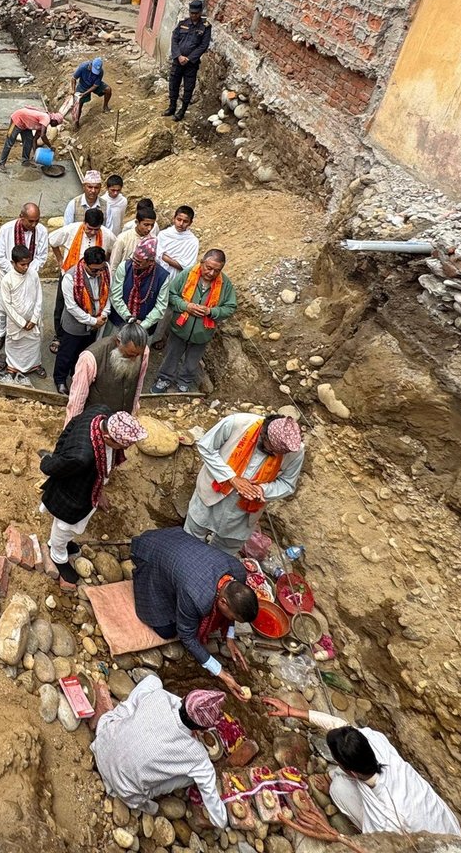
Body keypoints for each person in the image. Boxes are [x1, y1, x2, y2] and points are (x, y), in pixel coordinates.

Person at [260, 699, 461, 836]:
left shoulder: (384, 818)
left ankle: (340, 798)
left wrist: (329, 832)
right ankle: (334, 779)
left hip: (427, 838)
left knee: (338, 789)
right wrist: (290, 710)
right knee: (337, 780)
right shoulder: (374, 740)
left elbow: (374, 846)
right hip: (444, 821)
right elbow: (338, 725)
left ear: (351, 772)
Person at [130, 525, 257, 696]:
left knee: (188, 608)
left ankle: (173, 585)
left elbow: (234, 608)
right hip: (148, 553)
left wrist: (230, 637)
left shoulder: (238, 573)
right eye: (232, 617)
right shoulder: (196, 596)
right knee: (167, 630)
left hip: (175, 543)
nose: (231, 619)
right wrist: (220, 672)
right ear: (223, 602)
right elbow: (187, 637)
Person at [91, 675, 230, 830]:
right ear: (203, 729)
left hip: (102, 745)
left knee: (153, 682)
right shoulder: (198, 756)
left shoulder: (159, 697)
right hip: (125, 790)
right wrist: (225, 820)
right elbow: (219, 818)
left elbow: (172, 701)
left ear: (184, 699)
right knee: (191, 777)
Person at [39, 407, 145, 587]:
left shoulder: (100, 412)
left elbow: (72, 423)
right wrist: (55, 458)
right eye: (124, 445)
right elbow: (51, 467)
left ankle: (63, 543)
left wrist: (99, 490)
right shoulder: (82, 457)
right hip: (72, 495)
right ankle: (57, 554)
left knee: (70, 529)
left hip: (89, 485)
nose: (127, 448)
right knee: (65, 526)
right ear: (107, 438)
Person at [185, 413, 304, 553]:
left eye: (279, 453)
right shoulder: (238, 423)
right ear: (263, 434)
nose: (274, 454)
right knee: (190, 540)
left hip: (242, 513)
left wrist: (262, 490)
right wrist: (231, 478)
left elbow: (288, 483)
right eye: (271, 449)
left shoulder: (295, 451)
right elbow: (206, 447)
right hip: (210, 496)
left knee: (224, 552)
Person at [154, 250, 237, 395]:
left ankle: (184, 383)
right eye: (208, 268)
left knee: (193, 361)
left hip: (203, 332)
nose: (211, 273)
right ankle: (164, 379)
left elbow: (230, 307)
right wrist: (186, 306)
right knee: (171, 355)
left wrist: (211, 311)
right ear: (202, 262)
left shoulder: (225, 284)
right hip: (180, 327)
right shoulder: (187, 274)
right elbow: (171, 294)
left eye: (217, 270)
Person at [0, 203, 49, 371]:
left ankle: (30, 362)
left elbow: (42, 256)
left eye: (37, 221)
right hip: (8, 276)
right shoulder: (7, 229)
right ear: (21, 217)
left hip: (29, 278)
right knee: (2, 307)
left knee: (30, 309)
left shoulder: (41, 231)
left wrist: (28, 271)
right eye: (30, 221)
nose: (34, 225)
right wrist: (15, 272)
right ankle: (0, 334)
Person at [48, 207, 115, 350]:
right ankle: (59, 336)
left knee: (93, 303)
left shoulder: (107, 234)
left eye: (96, 230)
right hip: (70, 276)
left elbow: (111, 250)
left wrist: (101, 266)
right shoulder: (71, 230)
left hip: (94, 278)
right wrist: (60, 260)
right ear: (84, 222)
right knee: (62, 306)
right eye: (89, 228)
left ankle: (87, 334)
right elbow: (52, 241)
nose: (92, 233)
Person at [64, 322, 151, 423]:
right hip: (94, 421)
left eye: (137, 355)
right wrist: (71, 428)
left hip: (122, 420)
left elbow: (138, 384)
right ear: (118, 342)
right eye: (129, 355)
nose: (134, 359)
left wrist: (133, 409)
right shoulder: (89, 358)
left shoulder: (143, 352)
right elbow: (77, 399)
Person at [54, 245, 110, 395]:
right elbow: (71, 307)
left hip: (95, 325)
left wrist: (104, 314)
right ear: (85, 263)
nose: (98, 273)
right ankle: (60, 380)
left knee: (83, 354)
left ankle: (77, 377)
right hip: (74, 326)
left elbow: (107, 295)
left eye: (101, 269)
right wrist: (93, 321)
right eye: (94, 270)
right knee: (66, 354)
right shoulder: (70, 277)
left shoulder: (104, 272)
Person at [0, 244, 44, 387]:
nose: (26, 267)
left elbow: (39, 297)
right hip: (15, 322)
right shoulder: (7, 280)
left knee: (33, 343)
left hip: (33, 319)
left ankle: (34, 365)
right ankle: (13, 368)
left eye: (28, 264)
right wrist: (22, 322)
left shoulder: (33, 274)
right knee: (15, 345)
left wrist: (34, 319)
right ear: (13, 263)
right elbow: (7, 305)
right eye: (22, 264)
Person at [163, 0, 211, 121]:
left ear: (200, 13)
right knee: (173, 84)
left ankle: (182, 111)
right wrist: (178, 55)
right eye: (191, 13)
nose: (193, 15)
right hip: (178, 60)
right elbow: (174, 39)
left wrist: (189, 59)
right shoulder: (182, 23)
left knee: (188, 87)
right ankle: (172, 107)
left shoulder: (205, 27)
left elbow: (203, 46)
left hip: (191, 64)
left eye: (196, 13)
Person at [111, 239, 170, 332]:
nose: (134, 263)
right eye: (133, 259)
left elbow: (160, 307)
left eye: (138, 262)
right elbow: (115, 296)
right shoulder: (124, 266)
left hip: (144, 329)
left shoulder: (162, 276)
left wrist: (143, 325)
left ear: (150, 261)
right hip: (118, 322)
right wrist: (129, 317)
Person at [0, 105, 63, 170]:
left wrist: (35, 154)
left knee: (29, 140)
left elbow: (35, 139)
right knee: (9, 142)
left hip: (25, 125)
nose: (55, 125)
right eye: (57, 123)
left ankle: (25, 161)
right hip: (17, 119)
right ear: (54, 120)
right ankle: (1, 163)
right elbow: (43, 136)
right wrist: (50, 146)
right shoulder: (46, 118)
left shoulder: (44, 125)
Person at [110, 203, 157, 273]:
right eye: (146, 225)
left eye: (152, 225)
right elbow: (113, 265)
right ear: (137, 222)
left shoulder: (153, 240)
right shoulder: (123, 238)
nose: (149, 228)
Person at [154, 205, 200, 276]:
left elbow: (188, 267)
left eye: (185, 221)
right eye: (179, 219)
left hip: (178, 278)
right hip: (157, 274)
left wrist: (164, 258)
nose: (181, 224)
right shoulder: (163, 235)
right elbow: (154, 256)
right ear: (174, 218)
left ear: (190, 223)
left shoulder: (192, 242)